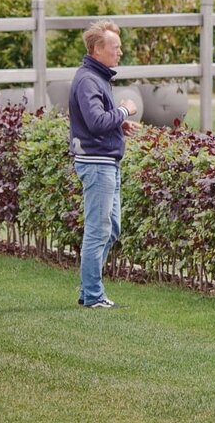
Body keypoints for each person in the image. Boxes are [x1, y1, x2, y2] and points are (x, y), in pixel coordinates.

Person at [69, 19, 139, 308]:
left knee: (111, 228)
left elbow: (95, 120)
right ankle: (93, 295)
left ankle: (89, 291)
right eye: (115, 47)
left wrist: (117, 125)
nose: (120, 52)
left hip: (106, 161)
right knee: (99, 230)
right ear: (98, 49)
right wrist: (124, 109)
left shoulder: (96, 78)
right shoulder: (88, 80)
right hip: (97, 164)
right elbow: (96, 122)